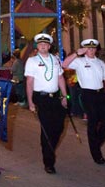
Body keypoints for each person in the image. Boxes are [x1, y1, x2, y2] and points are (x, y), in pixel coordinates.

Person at [63, 38, 105, 164]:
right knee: (93, 120)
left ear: (96, 49)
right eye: (88, 48)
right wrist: (76, 53)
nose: (91, 50)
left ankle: (95, 143)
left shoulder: (101, 63)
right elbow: (64, 64)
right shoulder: (79, 61)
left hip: (100, 94)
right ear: (85, 50)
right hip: (88, 94)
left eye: (93, 48)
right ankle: (96, 154)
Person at [25, 33, 68, 174]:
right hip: (41, 98)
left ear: (49, 46)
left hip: (55, 97)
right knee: (47, 129)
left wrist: (64, 95)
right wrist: (30, 102)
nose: (43, 46)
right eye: (40, 44)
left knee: (59, 127)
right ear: (37, 46)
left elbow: (60, 77)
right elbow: (29, 82)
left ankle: (50, 148)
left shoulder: (55, 59)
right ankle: (48, 162)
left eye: (45, 44)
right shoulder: (31, 61)